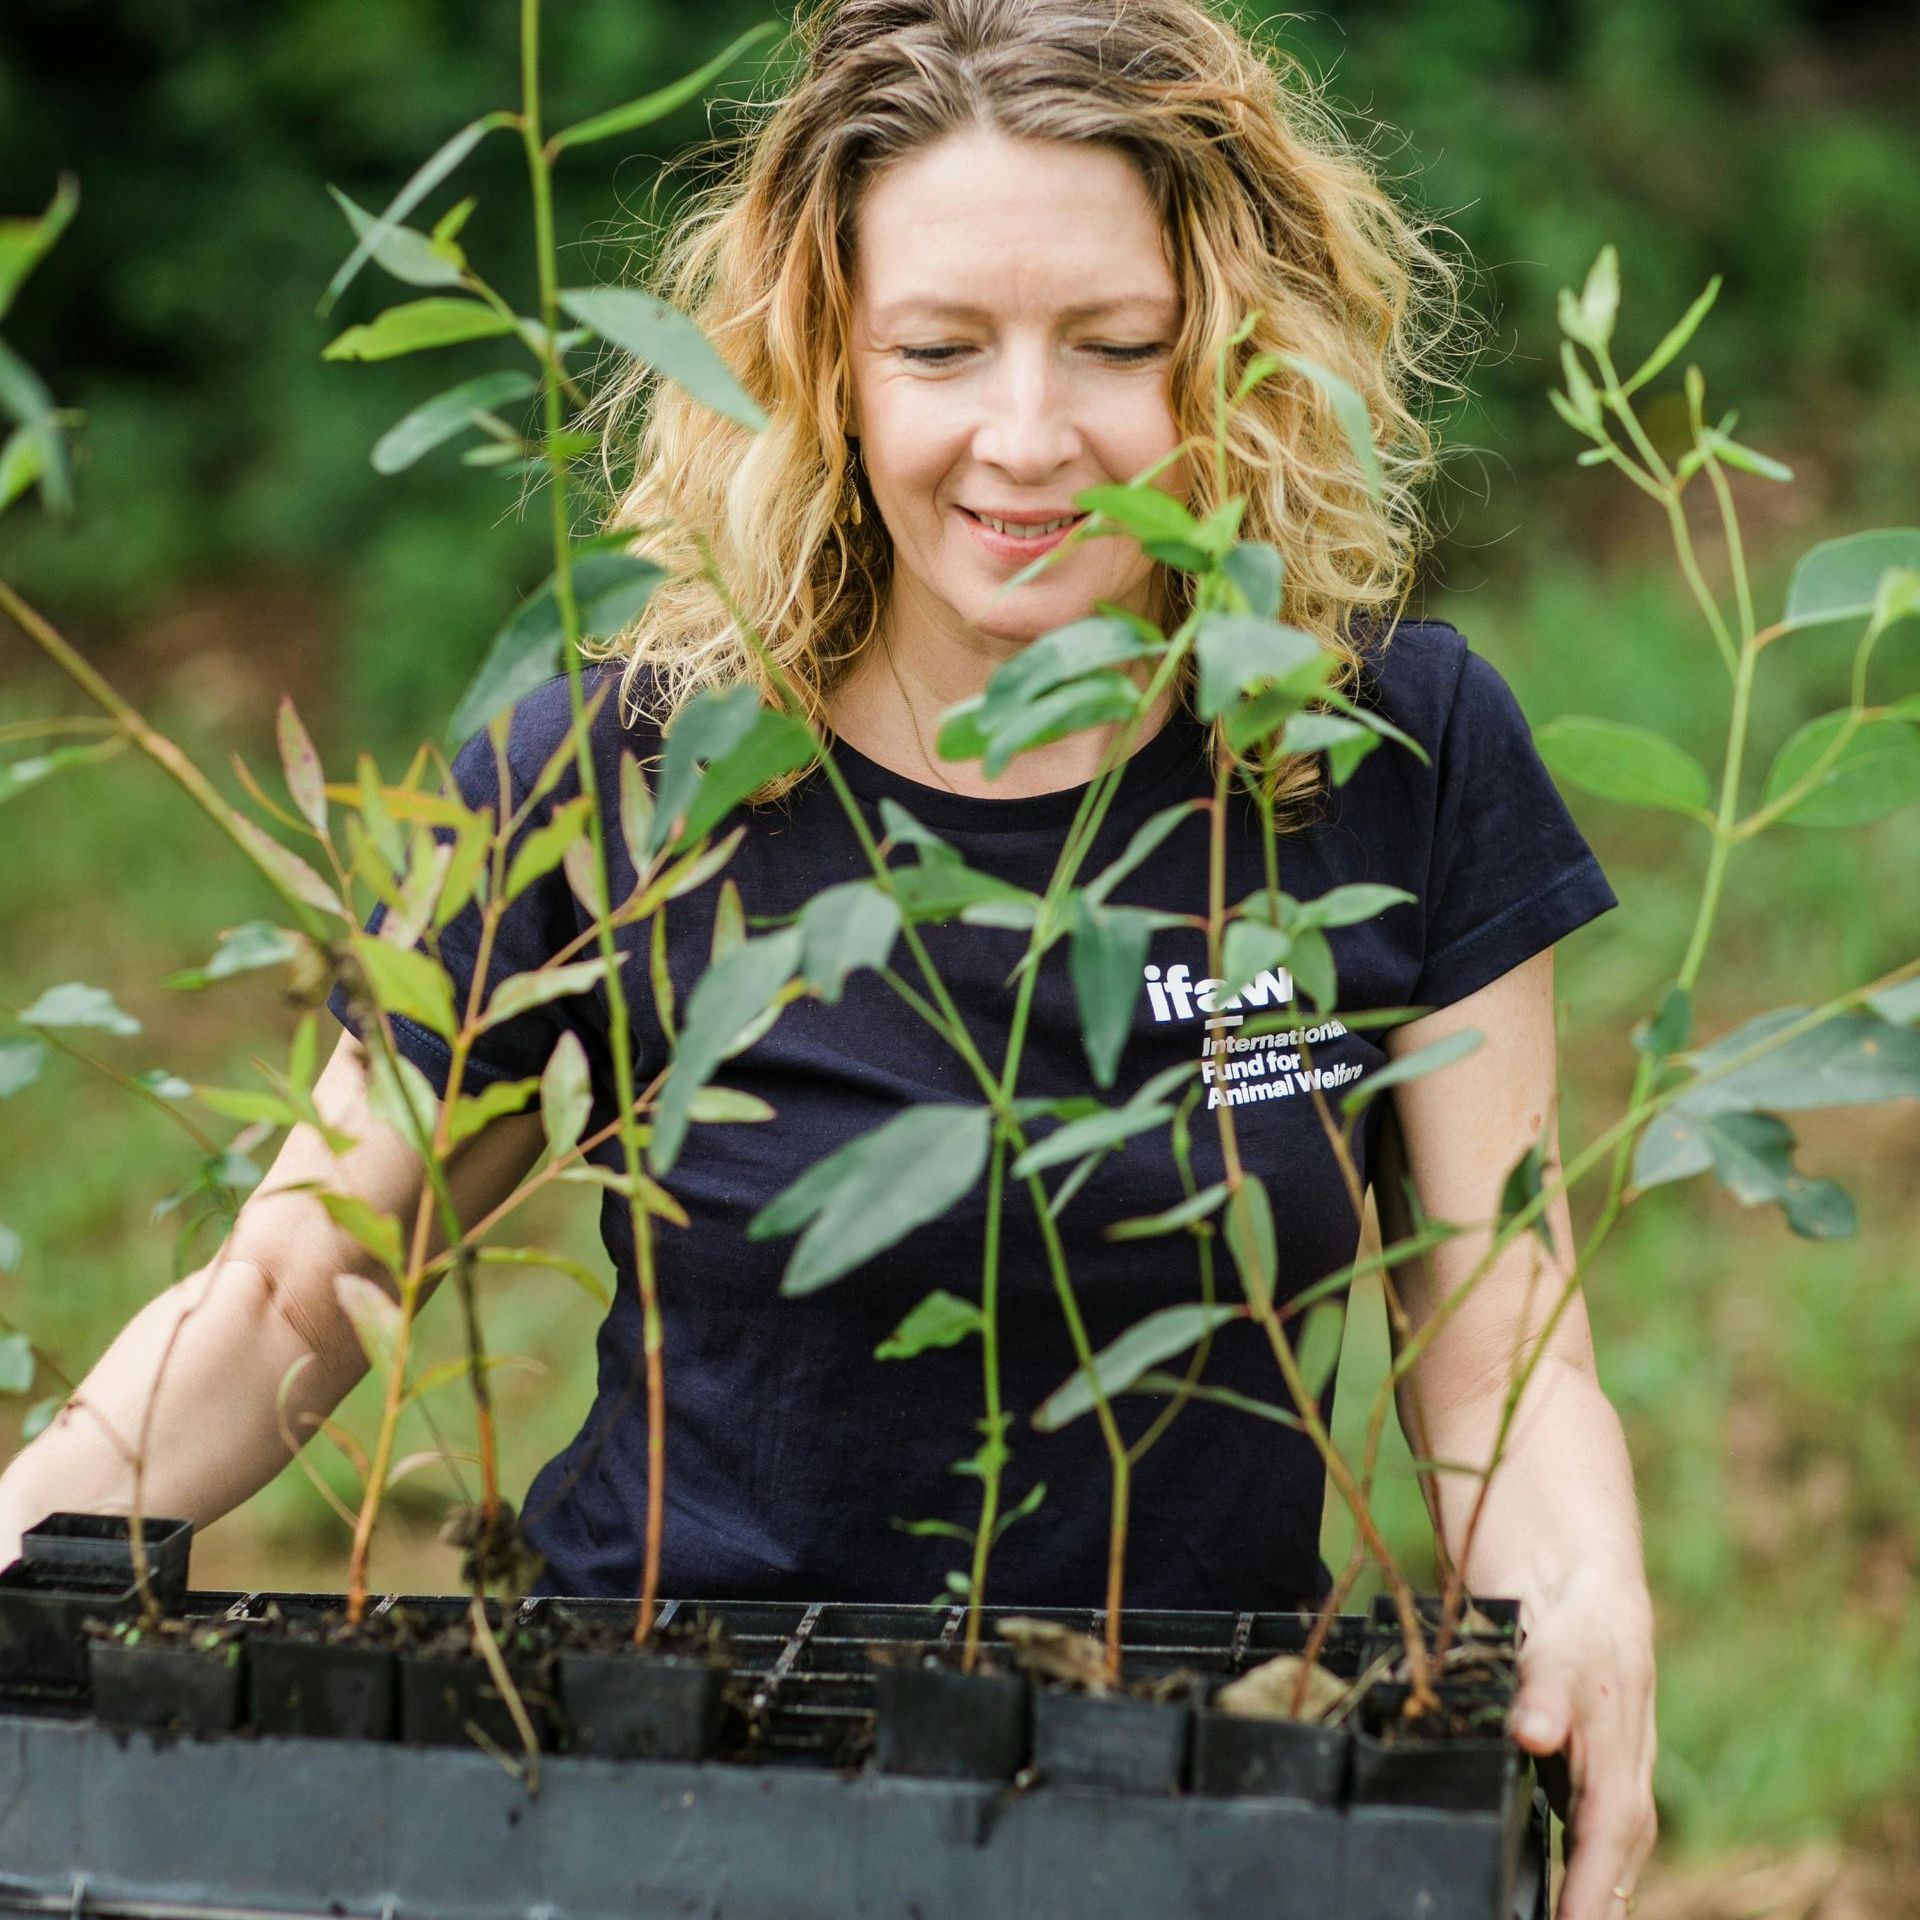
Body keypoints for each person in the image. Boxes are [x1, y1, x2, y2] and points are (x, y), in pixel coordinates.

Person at [0, 1, 1656, 1911]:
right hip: (649, 1798)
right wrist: (31, 1532)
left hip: (1197, 1800)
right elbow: (302, 1284)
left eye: (1113, 347)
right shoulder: (621, 773)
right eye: (940, 349)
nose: (1025, 439)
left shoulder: (1385, 757)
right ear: (821, 362)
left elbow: (1497, 1353)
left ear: (1229, 347)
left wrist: (1589, 1602)